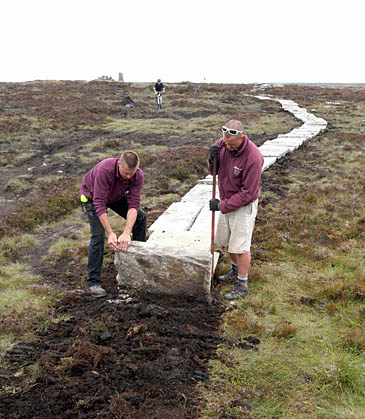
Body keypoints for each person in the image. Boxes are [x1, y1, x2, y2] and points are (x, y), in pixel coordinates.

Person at [208, 120, 263, 300]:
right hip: (227, 199)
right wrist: (211, 159)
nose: (228, 147)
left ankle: (242, 283)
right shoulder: (222, 144)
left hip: (243, 206)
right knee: (228, 243)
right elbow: (214, 172)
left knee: (240, 246)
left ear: (242, 137)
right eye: (226, 143)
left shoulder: (253, 157)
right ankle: (234, 269)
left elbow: (248, 193)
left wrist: (221, 206)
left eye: (232, 144)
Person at [80, 151, 147, 298]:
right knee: (98, 235)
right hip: (92, 197)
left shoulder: (138, 175)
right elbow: (99, 203)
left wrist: (126, 232)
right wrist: (111, 233)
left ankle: (137, 262)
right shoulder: (105, 170)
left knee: (141, 218)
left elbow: (133, 205)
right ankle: (93, 283)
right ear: (119, 164)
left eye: (132, 173)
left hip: (115, 195)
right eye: (126, 173)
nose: (129, 177)